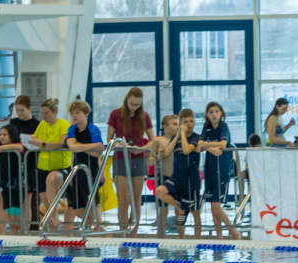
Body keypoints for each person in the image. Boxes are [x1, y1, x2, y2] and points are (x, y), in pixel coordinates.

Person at [106, 88, 153, 233]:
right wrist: (119, 144)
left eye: (137, 105)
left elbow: (153, 140)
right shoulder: (115, 114)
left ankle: (133, 235)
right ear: (127, 99)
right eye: (131, 103)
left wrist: (142, 148)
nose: (133, 107)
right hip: (121, 159)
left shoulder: (144, 116)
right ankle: (123, 234)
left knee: (136, 201)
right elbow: (109, 139)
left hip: (138, 159)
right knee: (123, 201)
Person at [153, 108, 199, 236]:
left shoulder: (195, 137)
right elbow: (165, 153)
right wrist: (178, 135)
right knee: (160, 197)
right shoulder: (169, 138)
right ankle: (167, 237)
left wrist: (181, 134)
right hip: (173, 177)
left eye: (191, 121)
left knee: (192, 213)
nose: (188, 124)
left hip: (188, 180)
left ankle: (191, 241)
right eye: (184, 122)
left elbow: (186, 150)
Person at [60, 99, 103, 231]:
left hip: (91, 172)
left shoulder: (93, 129)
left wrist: (80, 147)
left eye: (77, 113)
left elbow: (99, 150)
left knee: (93, 203)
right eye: (72, 113)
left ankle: (98, 230)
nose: (74, 116)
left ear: (86, 114)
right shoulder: (72, 129)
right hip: (78, 172)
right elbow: (72, 147)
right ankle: (97, 227)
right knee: (78, 210)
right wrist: (89, 147)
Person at [200, 102, 238, 239]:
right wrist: (210, 148)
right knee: (213, 207)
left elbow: (222, 144)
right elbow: (199, 145)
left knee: (216, 206)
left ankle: (234, 232)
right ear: (207, 115)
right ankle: (219, 237)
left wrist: (205, 145)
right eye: (211, 112)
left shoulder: (223, 126)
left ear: (221, 113)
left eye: (217, 111)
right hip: (210, 170)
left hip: (222, 170)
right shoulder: (206, 128)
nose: (214, 114)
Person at [4, 95, 41, 231]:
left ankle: (30, 228)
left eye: (22, 110)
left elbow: (40, 144)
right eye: (17, 110)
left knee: (29, 199)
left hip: (31, 164)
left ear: (30, 109)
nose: (19, 113)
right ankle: (15, 227)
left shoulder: (37, 124)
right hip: (14, 164)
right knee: (13, 198)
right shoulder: (13, 123)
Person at [33, 98, 71, 225]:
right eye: (42, 113)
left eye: (46, 113)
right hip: (43, 166)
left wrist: (43, 143)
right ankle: (53, 219)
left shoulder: (63, 124)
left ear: (55, 111)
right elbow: (35, 139)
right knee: (44, 196)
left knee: (52, 179)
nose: (44, 116)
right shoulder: (42, 125)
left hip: (60, 166)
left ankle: (54, 217)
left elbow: (62, 143)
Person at [0, 124, 25, 235]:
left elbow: (19, 147)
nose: (1, 137)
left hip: (16, 185)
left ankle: (23, 236)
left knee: (15, 215)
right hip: (5, 184)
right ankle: (12, 237)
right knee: (10, 216)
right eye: (1, 134)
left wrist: (0, 148)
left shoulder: (17, 146)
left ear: (12, 136)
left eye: (4, 135)